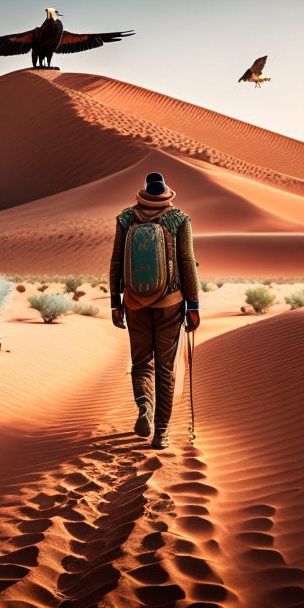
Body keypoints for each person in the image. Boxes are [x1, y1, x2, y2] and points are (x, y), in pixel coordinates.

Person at [109, 172, 200, 449]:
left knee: (140, 363)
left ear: (145, 192)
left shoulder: (126, 218)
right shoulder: (179, 220)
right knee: (165, 368)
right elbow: (187, 262)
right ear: (166, 193)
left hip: (134, 303)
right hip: (170, 304)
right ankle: (161, 432)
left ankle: (144, 407)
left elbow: (116, 261)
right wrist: (193, 305)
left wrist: (115, 301)